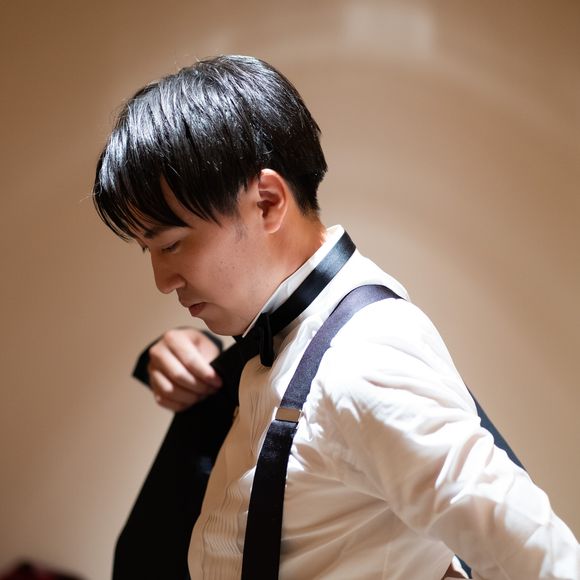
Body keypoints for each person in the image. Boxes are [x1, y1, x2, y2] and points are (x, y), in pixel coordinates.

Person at [93, 55, 579, 579]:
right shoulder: (287, 334)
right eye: (149, 251)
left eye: (171, 244)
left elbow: (542, 559)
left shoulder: (364, 357)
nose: (162, 280)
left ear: (267, 203)